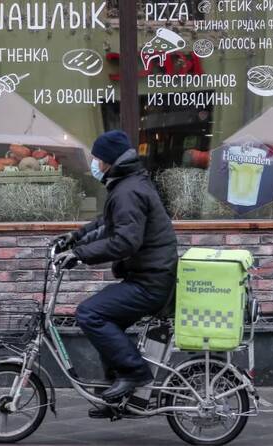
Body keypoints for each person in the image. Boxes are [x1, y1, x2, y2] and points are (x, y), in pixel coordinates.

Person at [53, 130, 178, 414]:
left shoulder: (129, 190)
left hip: (151, 283)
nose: (93, 164)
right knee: (108, 321)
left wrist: (79, 255)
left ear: (109, 160)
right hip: (149, 277)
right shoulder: (126, 185)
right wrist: (74, 239)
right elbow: (107, 224)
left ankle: (135, 374)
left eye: (96, 158)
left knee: (90, 313)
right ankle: (118, 398)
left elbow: (125, 241)